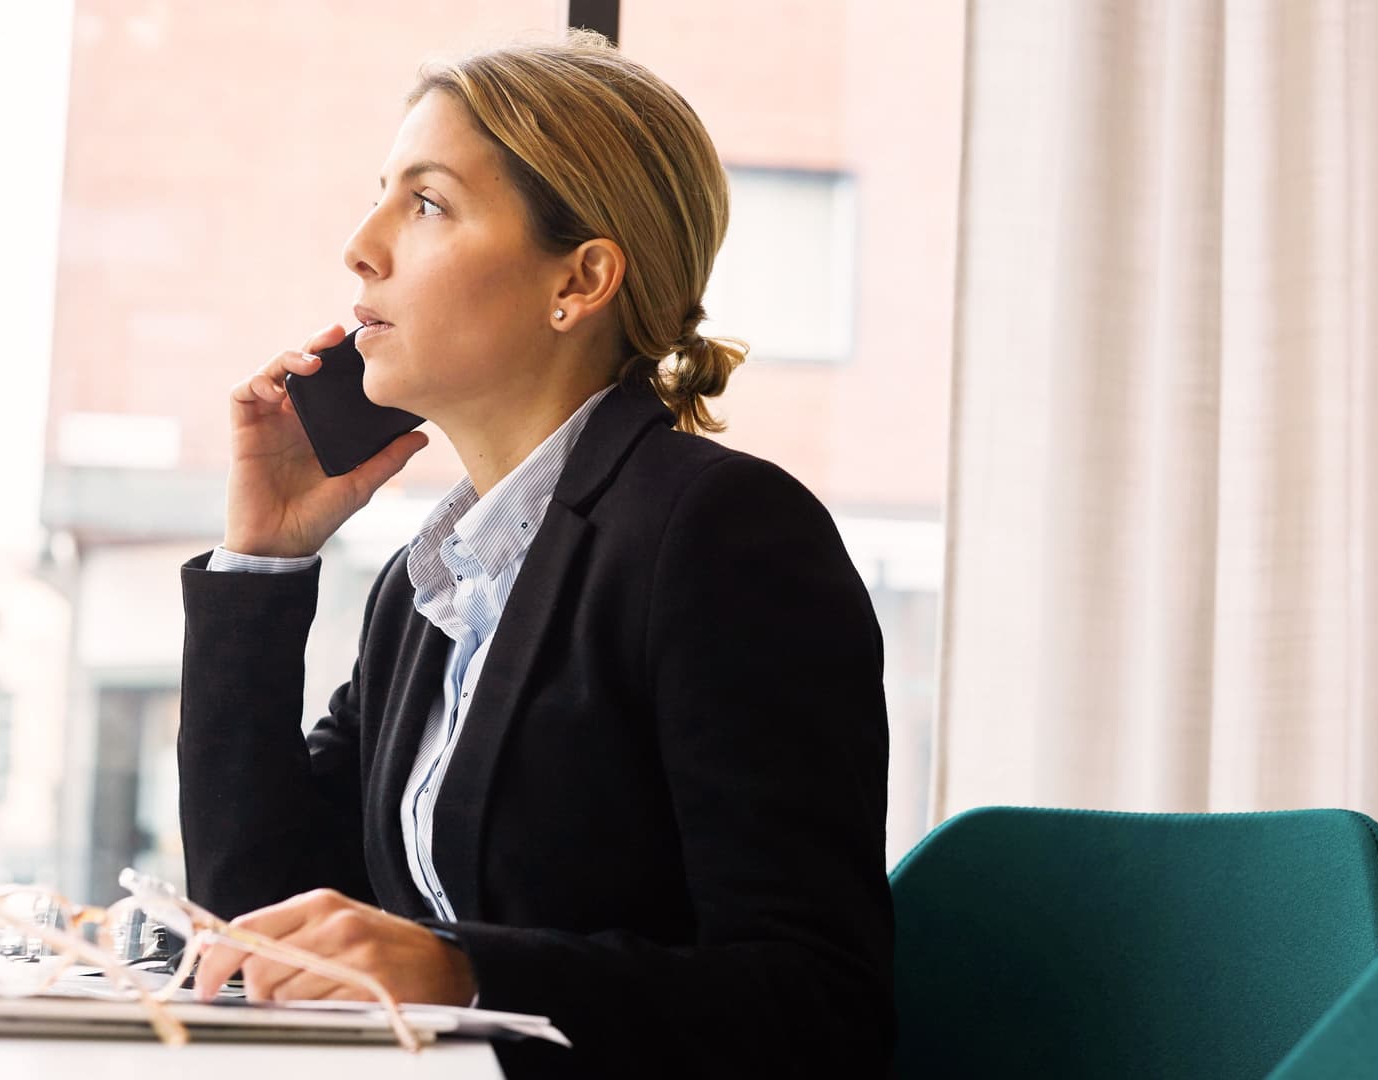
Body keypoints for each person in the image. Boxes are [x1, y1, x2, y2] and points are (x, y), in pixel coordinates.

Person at [176, 29, 894, 1078]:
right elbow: (261, 917)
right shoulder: (432, 587)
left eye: (425, 203)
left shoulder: (723, 537)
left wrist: (464, 974)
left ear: (582, 278)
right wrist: (263, 564)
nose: (361, 246)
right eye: (383, 194)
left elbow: (817, 1007)